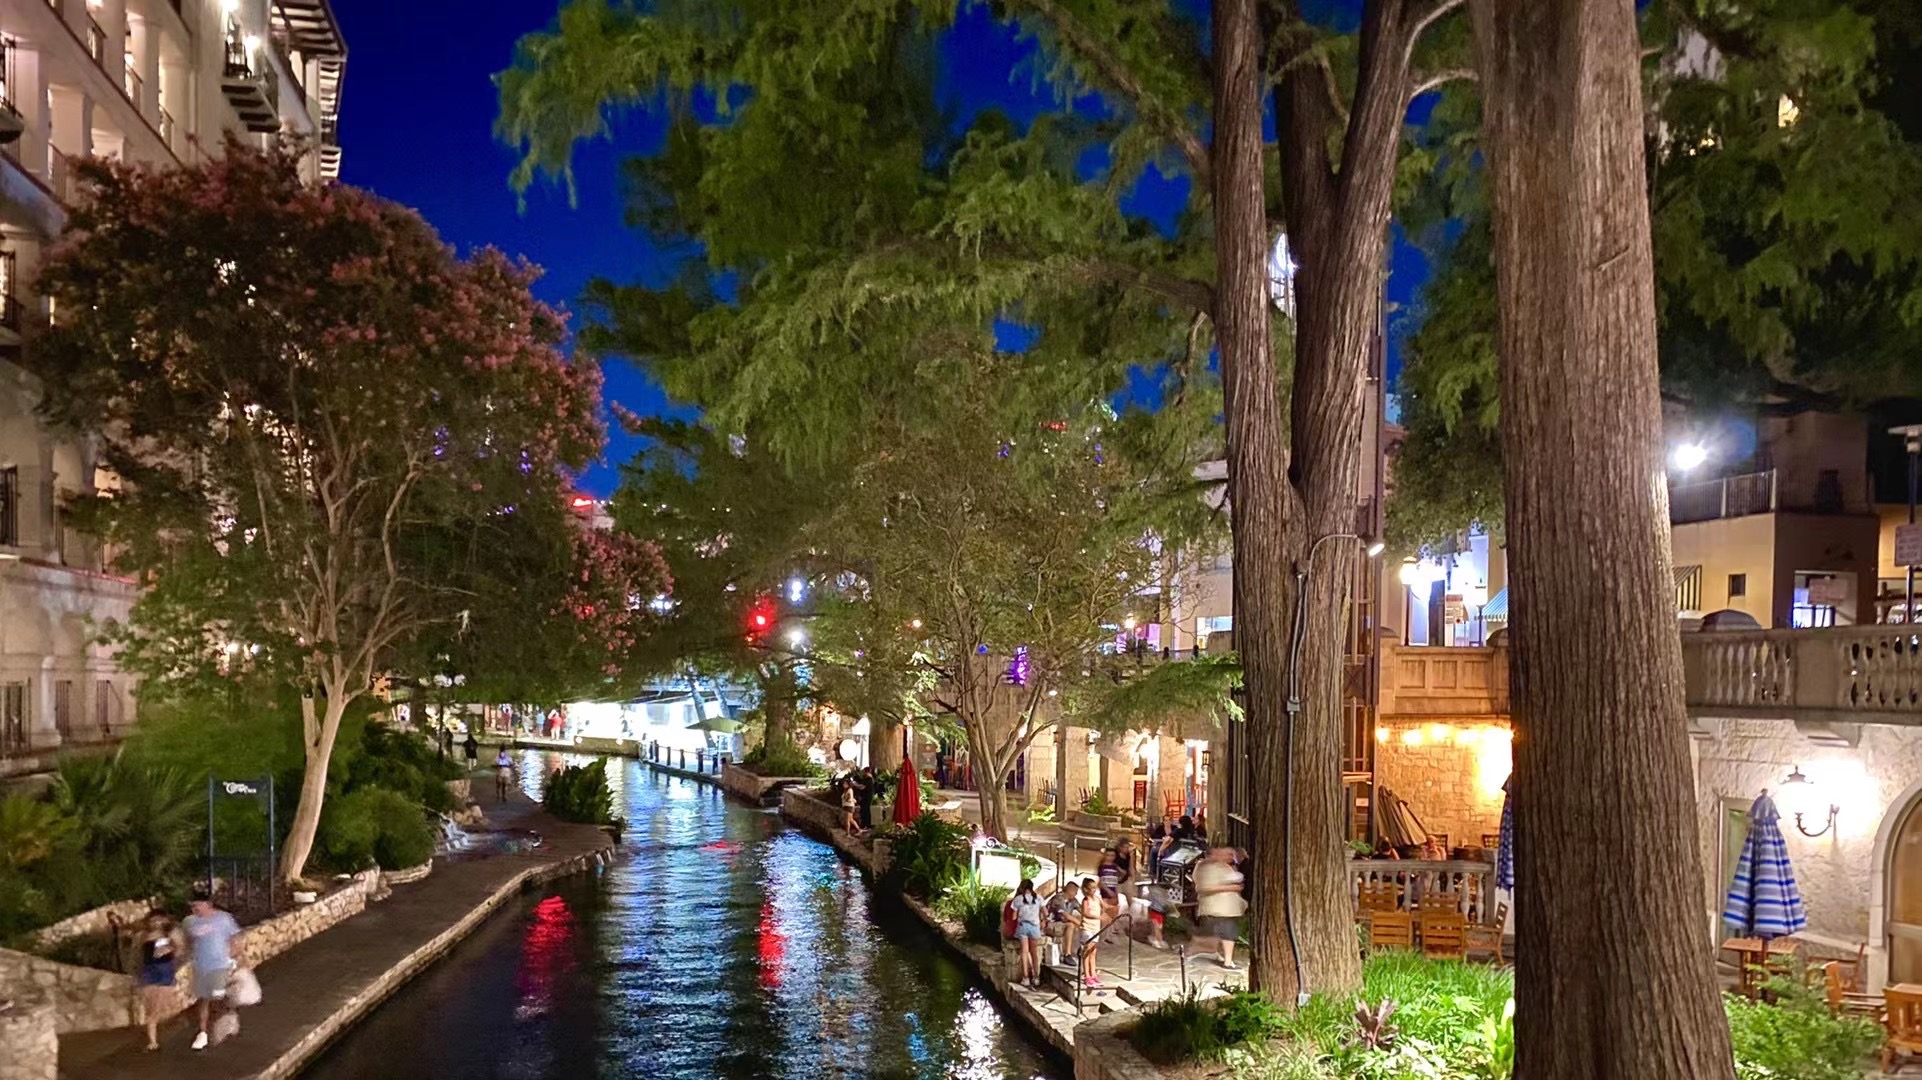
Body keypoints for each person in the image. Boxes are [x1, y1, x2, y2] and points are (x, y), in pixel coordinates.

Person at [182, 890, 241, 1050]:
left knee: (217, 998)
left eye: (197, 906)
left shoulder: (223, 919)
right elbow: (187, 942)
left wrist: (235, 958)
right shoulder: (189, 922)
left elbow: (234, 940)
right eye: (192, 907)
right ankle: (203, 1033)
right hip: (201, 966)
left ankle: (228, 1017)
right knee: (203, 1000)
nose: (195, 909)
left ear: (207, 904)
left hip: (220, 965)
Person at [1193, 846, 1247, 971]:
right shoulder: (1206, 867)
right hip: (1218, 907)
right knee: (1228, 932)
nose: (1230, 857)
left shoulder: (1224, 866)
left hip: (1226, 907)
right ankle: (1228, 962)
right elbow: (1204, 887)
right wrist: (1231, 888)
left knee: (1221, 932)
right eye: (1227, 854)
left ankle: (1216, 954)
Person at [137, 911, 178, 1052]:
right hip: (151, 973)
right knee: (152, 1009)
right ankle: (152, 1041)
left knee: (162, 1007)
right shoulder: (144, 936)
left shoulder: (169, 936)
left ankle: (155, 1036)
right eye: (153, 920)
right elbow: (142, 955)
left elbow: (177, 950)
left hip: (165, 972)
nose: (156, 923)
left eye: (159, 920)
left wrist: (170, 948)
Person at [1009, 878, 1046, 990]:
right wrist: (1042, 919)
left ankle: (1026, 977)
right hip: (1035, 927)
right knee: (1034, 953)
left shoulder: (1018, 899)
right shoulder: (1039, 898)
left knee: (1024, 952)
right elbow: (1046, 912)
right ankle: (1036, 977)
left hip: (1023, 927)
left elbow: (1013, 917)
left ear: (1021, 888)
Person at [1077, 876, 1103, 987]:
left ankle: (1093, 973)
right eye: (1091, 888)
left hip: (1096, 928)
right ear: (1086, 889)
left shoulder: (1097, 899)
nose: (1094, 890)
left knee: (1093, 952)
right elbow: (1086, 913)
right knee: (1087, 952)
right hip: (1087, 928)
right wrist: (1098, 917)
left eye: (1095, 888)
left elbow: (1104, 906)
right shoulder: (1086, 901)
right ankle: (1087, 975)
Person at [853, 765, 875, 830]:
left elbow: (862, 787)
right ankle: (866, 824)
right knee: (865, 810)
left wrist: (855, 784)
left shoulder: (869, 779)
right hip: (866, 797)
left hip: (867, 797)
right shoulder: (868, 779)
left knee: (865, 810)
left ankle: (866, 825)